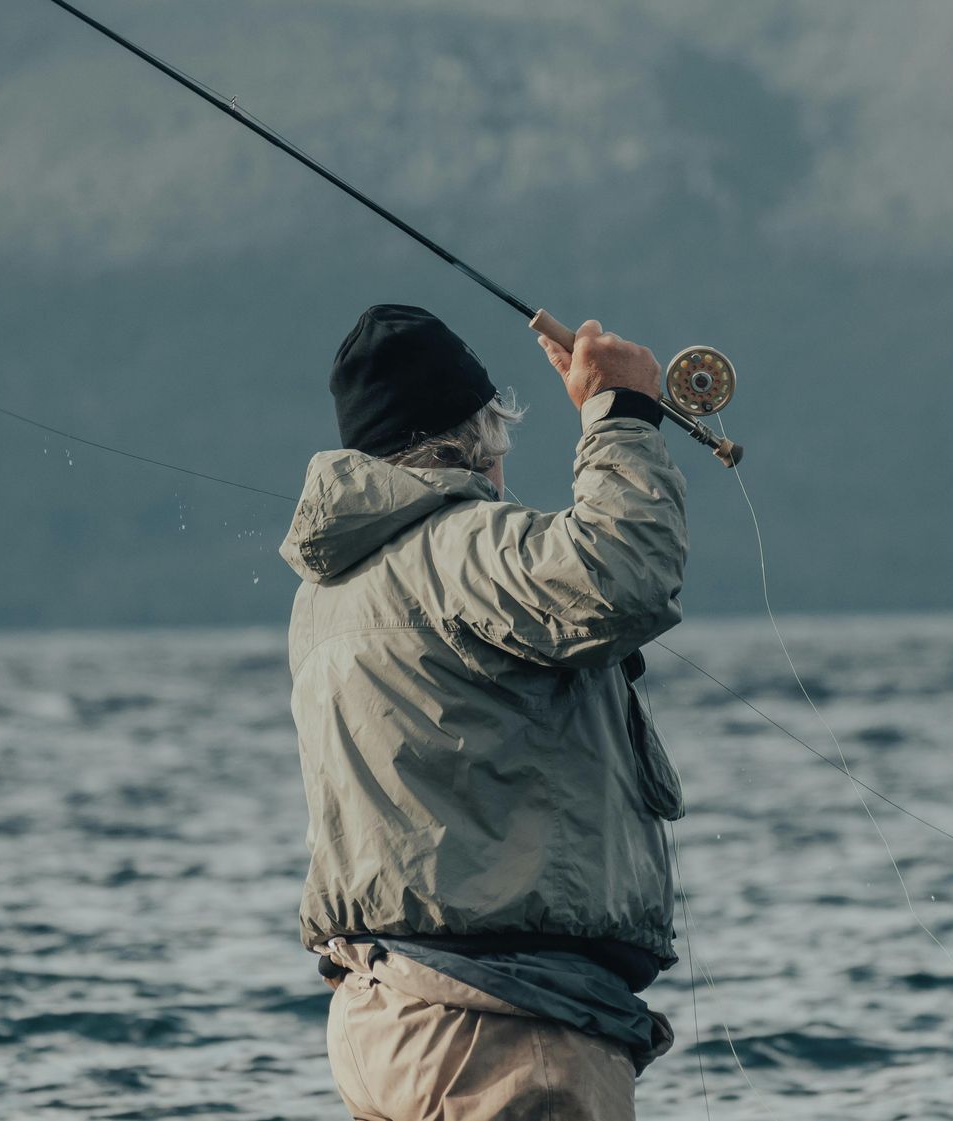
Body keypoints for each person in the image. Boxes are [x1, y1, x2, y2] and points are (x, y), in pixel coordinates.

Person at [278, 304, 690, 1120]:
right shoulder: (457, 548)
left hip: (384, 1022)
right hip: (499, 1035)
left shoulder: (328, 593)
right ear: (480, 438)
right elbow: (623, 575)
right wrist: (621, 416)